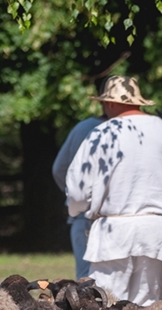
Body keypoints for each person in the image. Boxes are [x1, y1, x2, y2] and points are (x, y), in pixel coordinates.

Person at [65, 75, 162, 306]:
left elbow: (76, 193)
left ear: (110, 103)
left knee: (105, 307)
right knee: (145, 308)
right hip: (156, 233)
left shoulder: (101, 134)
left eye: (104, 103)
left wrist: (76, 211)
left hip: (113, 234)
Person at [52, 80, 108, 279]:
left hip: (83, 216)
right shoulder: (132, 131)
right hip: (120, 217)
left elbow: (59, 169)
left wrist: (75, 196)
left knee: (86, 280)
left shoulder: (83, 128)